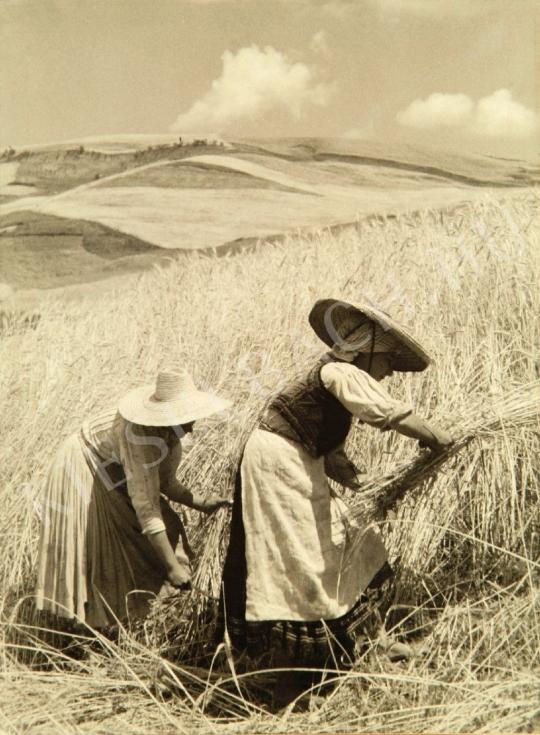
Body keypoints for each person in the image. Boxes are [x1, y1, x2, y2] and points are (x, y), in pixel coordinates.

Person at [219, 299, 452, 704]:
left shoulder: (331, 378)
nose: (390, 371)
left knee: (353, 540)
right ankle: (294, 677)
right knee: (301, 559)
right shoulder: (340, 371)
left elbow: (329, 452)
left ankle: (360, 648)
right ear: (367, 349)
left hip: (294, 462)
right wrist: (437, 437)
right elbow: (387, 412)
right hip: (278, 467)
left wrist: (369, 486)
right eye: (387, 361)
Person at [35, 368, 231, 629]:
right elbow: (147, 509)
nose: (192, 426)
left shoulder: (168, 436)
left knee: (169, 530)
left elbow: (165, 483)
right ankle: (94, 630)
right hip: (82, 466)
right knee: (101, 548)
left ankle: (139, 618)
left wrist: (200, 501)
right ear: (168, 416)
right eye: (187, 418)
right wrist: (172, 568)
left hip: (113, 468)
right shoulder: (140, 439)